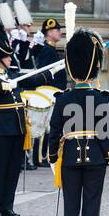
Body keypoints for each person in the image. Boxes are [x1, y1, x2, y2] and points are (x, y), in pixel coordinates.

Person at [48, 28, 109, 216]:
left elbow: (54, 131)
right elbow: (104, 134)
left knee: (71, 207)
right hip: (96, 160)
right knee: (91, 206)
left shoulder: (63, 98)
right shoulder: (101, 98)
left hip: (69, 158)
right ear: (94, 67)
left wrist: (52, 159)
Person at [0, 19, 64, 216]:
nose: (11, 59)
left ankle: (8, 205)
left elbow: (33, 79)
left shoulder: (12, 74)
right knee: (0, 169)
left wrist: (53, 70)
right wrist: (2, 86)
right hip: (1, 127)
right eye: (8, 56)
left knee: (13, 169)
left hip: (17, 127)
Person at [34, 18, 68, 168]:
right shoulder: (47, 51)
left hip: (54, 92)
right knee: (44, 126)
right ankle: (40, 157)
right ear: (48, 33)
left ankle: (45, 155)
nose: (60, 32)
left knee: (50, 125)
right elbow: (44, 74)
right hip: (48, 93)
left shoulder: (52, 49)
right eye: (56, 30)